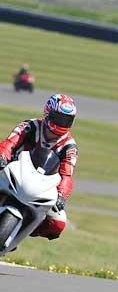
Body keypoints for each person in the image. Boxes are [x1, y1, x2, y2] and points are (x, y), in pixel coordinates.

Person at [0, 94, 78, 240]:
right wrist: (2, 156)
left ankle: (23, 229)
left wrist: (61, 195)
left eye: (67, 120)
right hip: (13, 172)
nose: (62, 123)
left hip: (41, 187)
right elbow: (9, 143)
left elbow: (67, 175)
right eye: (59, 118)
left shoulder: (70, 147)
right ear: (48, 113)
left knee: (58, 223)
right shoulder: (30, 126)